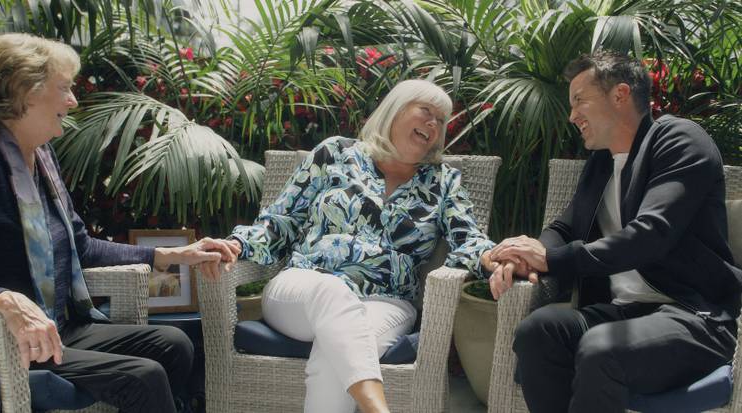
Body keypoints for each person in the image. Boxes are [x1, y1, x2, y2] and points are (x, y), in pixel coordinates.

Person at [0, 33, 238, 413]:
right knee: (141, 376)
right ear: (24, 92)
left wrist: (172, 254)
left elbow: (81, 246)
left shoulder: (41, 157)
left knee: (174, 343)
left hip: (54, 329)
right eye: (64, 89)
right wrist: (4, 300)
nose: (72, 100)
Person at [209, 79, 499, 413]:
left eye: (442, 120)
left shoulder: (443, 181)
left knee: (336, 355)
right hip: (303, 288)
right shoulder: (334, 153)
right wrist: (236, 244)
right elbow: (281, 221)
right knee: (332, 294)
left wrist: (493, 256)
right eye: (426, 111)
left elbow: (468, 238)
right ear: (395, 108)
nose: (434, 123)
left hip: (386, 303)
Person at [488, 51, 742, 412]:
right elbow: (563, 228)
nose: (572, 115)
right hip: (623, 312)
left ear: (620, 95)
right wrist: (527, 257)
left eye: (579, 101)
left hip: (692, 317)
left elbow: (651, 234)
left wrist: (550, 259)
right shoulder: (601, 163)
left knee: (601, 347)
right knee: (539, 331)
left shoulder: (679, 140)